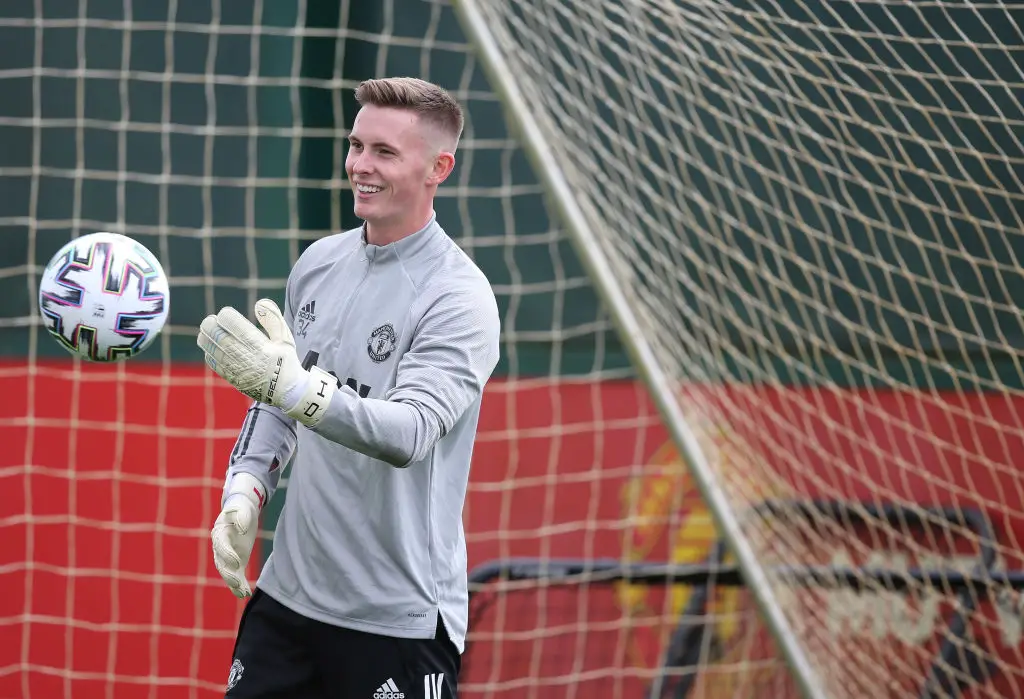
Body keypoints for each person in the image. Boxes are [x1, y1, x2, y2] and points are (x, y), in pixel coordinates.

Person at [196, 76, 501, 699]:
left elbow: (409, 433)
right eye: (356, 145)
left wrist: (296, 389)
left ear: (439, 167)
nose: (360, 165)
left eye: (384, 152)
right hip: (288, 601)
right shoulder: (318, 263)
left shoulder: (459, 297)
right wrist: (246, 487)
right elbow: (277, 398)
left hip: (399, 620)